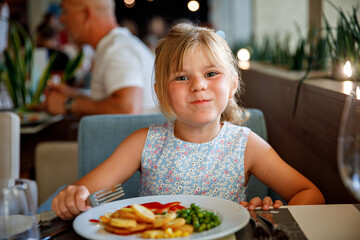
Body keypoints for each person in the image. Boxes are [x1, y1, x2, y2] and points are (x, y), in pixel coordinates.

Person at [52, 23, 324, 220]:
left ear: (232, 85)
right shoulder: (142, 143)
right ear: (161, 91)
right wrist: (73, 197)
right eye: (182, 77)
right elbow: (83, 190)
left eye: (211, 73)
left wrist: (273, 216)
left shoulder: (246, 145)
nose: (198, 86)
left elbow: (310, 193)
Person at [44, 0, 158, 115]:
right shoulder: (117, 45)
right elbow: (112, 99)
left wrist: (68, 104)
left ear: (86, 14)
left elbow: (128, 109)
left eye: (65, 11)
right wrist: (74, 94)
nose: (61, 19)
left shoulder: (117, 50)